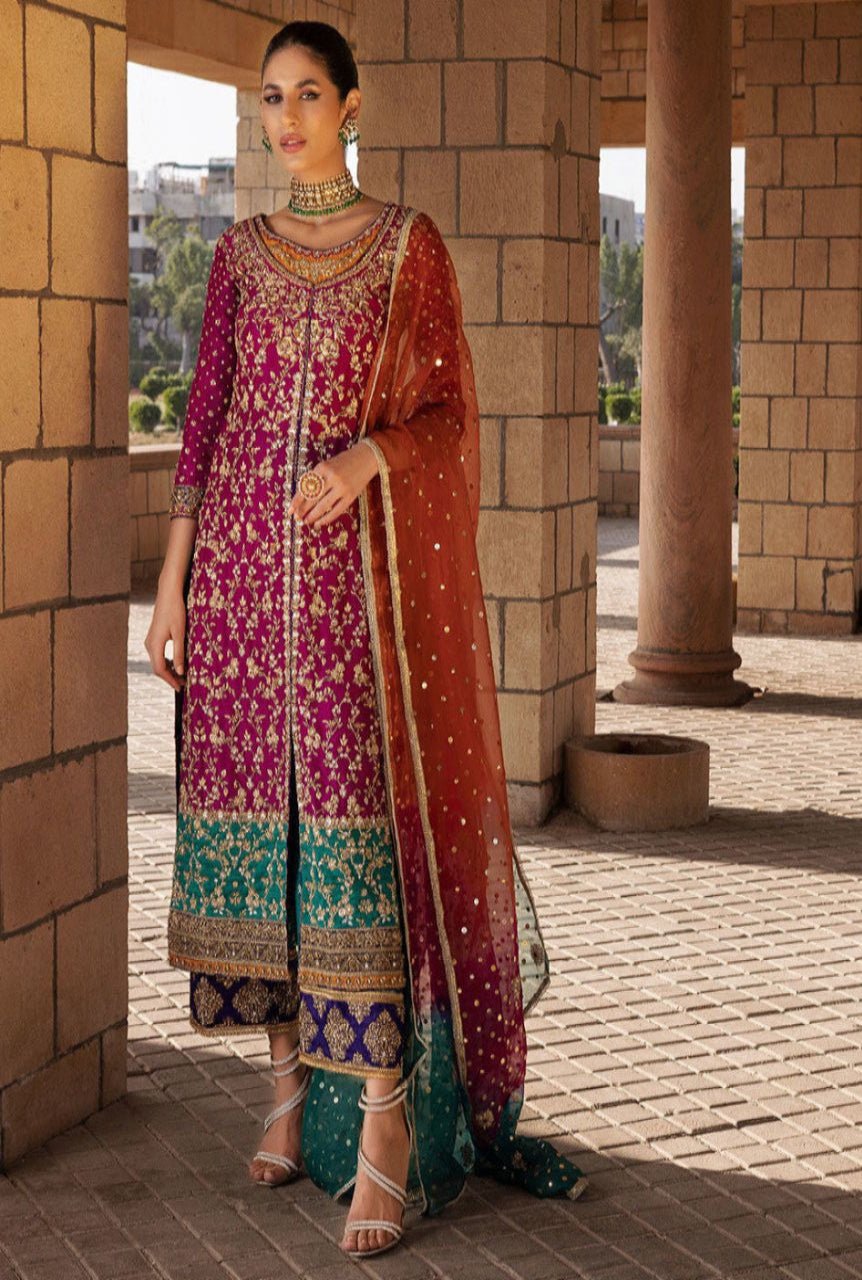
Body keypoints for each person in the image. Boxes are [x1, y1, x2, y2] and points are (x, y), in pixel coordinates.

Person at [145, 19, 586, 1262]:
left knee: (348, 849)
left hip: (349, 604)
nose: (284, 119)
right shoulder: (237, 254)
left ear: (352, 103)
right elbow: (206, 422)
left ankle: (385, 1116)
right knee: (258, 845)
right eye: (269, 98)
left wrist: (365, 453)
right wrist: (173, 584)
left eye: (306, 96)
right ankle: (285, 1082)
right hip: (235, 594)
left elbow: (450, 413)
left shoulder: (407, 249)